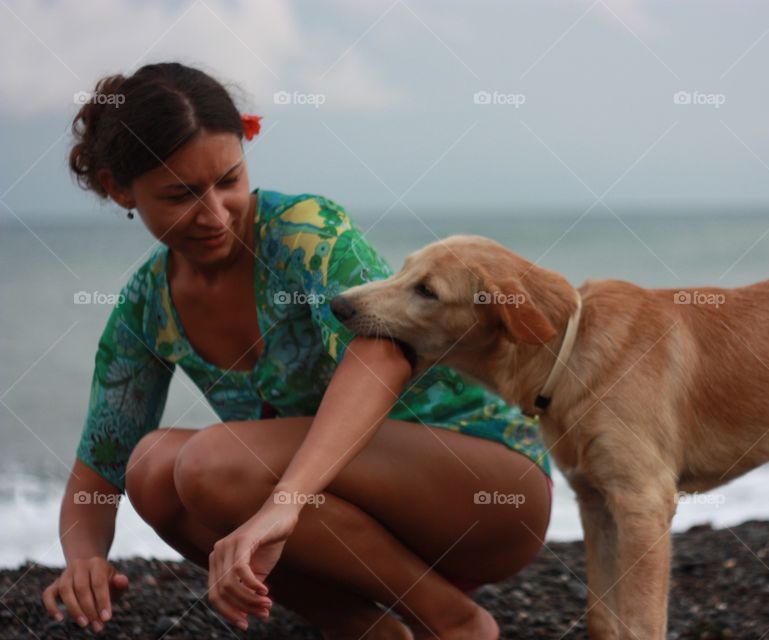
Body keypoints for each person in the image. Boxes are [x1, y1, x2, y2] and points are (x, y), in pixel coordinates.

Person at [43, 61, 553, 640]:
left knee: (211, 463)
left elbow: (381, 355)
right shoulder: (145, 304)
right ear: (118, 188)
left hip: (487, 494)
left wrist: (286, 501)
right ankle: (366, 629)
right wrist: (83, 557)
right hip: (349, 528)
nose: (214, 215)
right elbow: (99, 469)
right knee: (151, 467)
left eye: (228, 181)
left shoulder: (303, 232)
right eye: (181, 195)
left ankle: (455, 621)